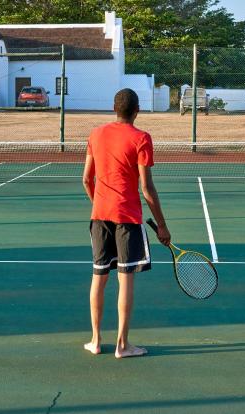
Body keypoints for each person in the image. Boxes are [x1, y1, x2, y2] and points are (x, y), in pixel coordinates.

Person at [82, 88, 171, 358]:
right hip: (127, 219)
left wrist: (99, 203)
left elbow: (87, 179)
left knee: (99, 278)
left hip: (100, 217)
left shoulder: (95, 134)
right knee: (125, 281)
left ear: (114, 108)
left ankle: (95, 341)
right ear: (137, 111)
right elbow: (147, 188)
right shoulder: (142, 138)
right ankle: (123, 345)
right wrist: (162, 226)